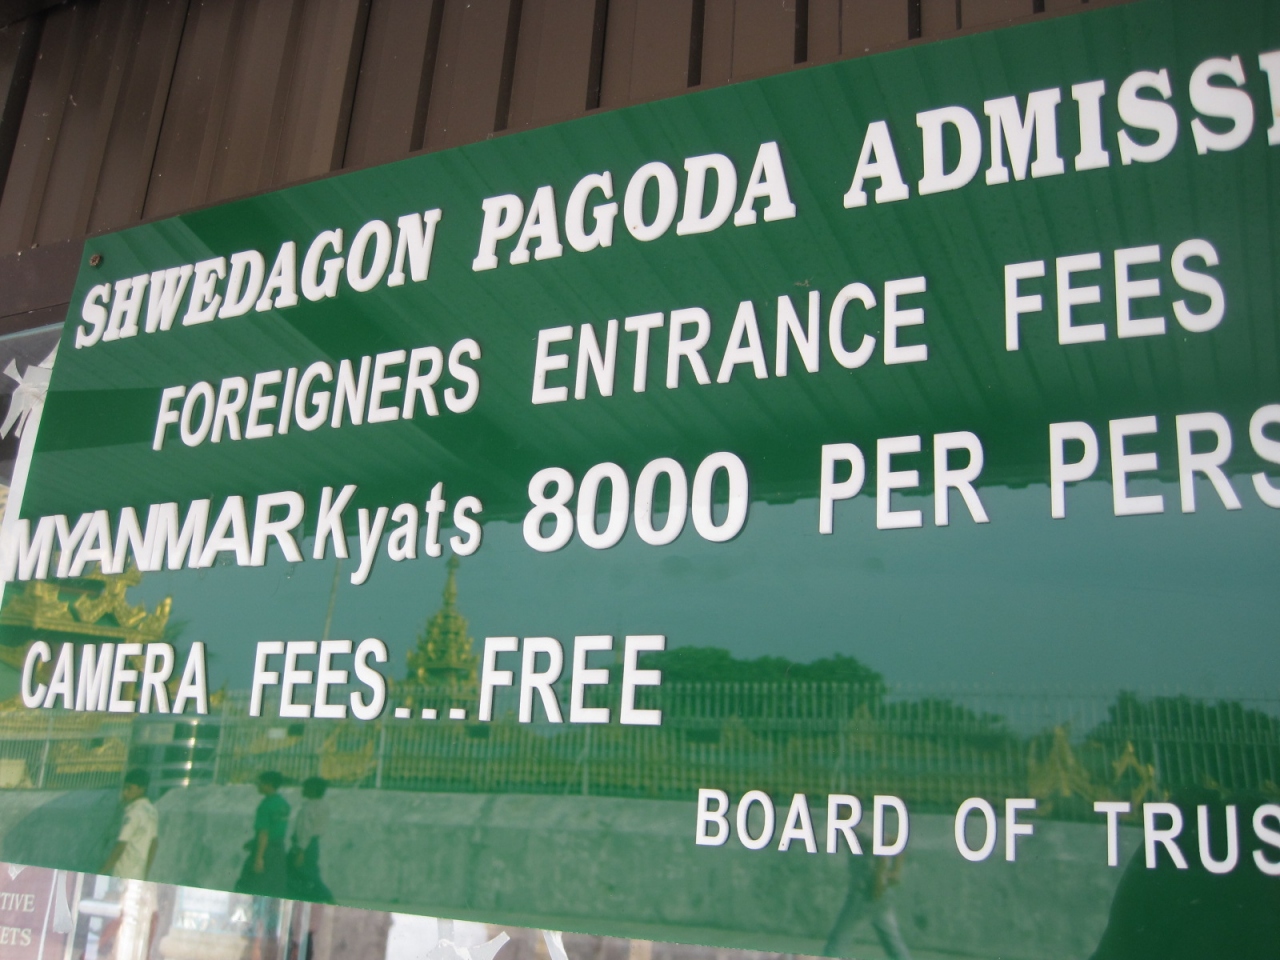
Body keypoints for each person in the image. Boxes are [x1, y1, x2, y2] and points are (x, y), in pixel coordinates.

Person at [234, 771, 291, 899]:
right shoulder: (283, 804)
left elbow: (264, 833)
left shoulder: (265, 806)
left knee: (252, 883)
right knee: (275, 885)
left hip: (265, 849)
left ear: (268, 784)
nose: (257, 786)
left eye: (260, 783)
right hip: (279, 849)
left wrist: (259, 858)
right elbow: (277, 827)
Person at [101, 769, 158, 880]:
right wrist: (146, 873)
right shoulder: (152, 811)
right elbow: (154, 844)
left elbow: (120, 846)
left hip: (123, 873)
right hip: (139, 874)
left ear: (141, 789)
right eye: (124, 788)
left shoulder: (133, 813)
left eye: (129, 788)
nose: (124, 792)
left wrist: (102, 871)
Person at [288, 777, 333, 902]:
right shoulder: (323, 805)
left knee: (306, 873)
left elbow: (305, 830)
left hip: (304, 845)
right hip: (313, 843)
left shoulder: (308, 808)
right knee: (307, 872)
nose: (303, 790)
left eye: (305, 788)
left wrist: (301, 850)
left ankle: (327, 898)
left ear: (312, 790)